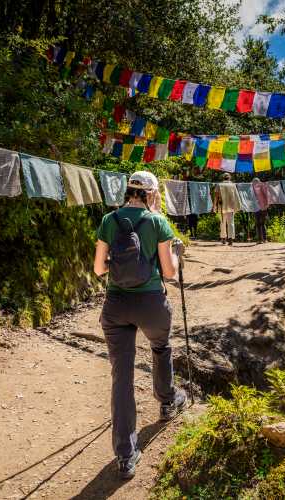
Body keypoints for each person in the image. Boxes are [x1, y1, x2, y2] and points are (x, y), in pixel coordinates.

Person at [94, 170, 187, 480]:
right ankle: (167, 400)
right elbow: (170, 272)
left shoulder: (109, 220)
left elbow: (97, 269)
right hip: (151, 305)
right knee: (160, 347)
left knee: (122, 377)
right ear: (151, 194)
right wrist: (174, 250)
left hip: (116, 306)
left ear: (128, 192)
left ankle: (125, 454)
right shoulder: (158, 221)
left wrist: (117, 264)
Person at [213, 172, 241, 245]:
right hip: (231, 207)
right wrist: (237, 206)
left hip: (221, 206)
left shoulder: (219, 185)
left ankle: (223, 238)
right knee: (231, 223)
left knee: (222, 222)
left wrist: (214, 206)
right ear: (229, 178)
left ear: (223, 177)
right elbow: (236, 196)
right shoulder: (233, 185)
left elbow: (216, 196)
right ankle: (230, 239)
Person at [251, 178, 269, 244]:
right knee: (260, 223)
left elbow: (266, 196)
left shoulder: (261, 187)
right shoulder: (253, 188)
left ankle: (261, 239)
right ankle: (262, 239)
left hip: (260, 207)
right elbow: (266, 196)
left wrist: (267, 204)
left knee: (260, 224)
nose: (255, 184)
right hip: (259, 207)